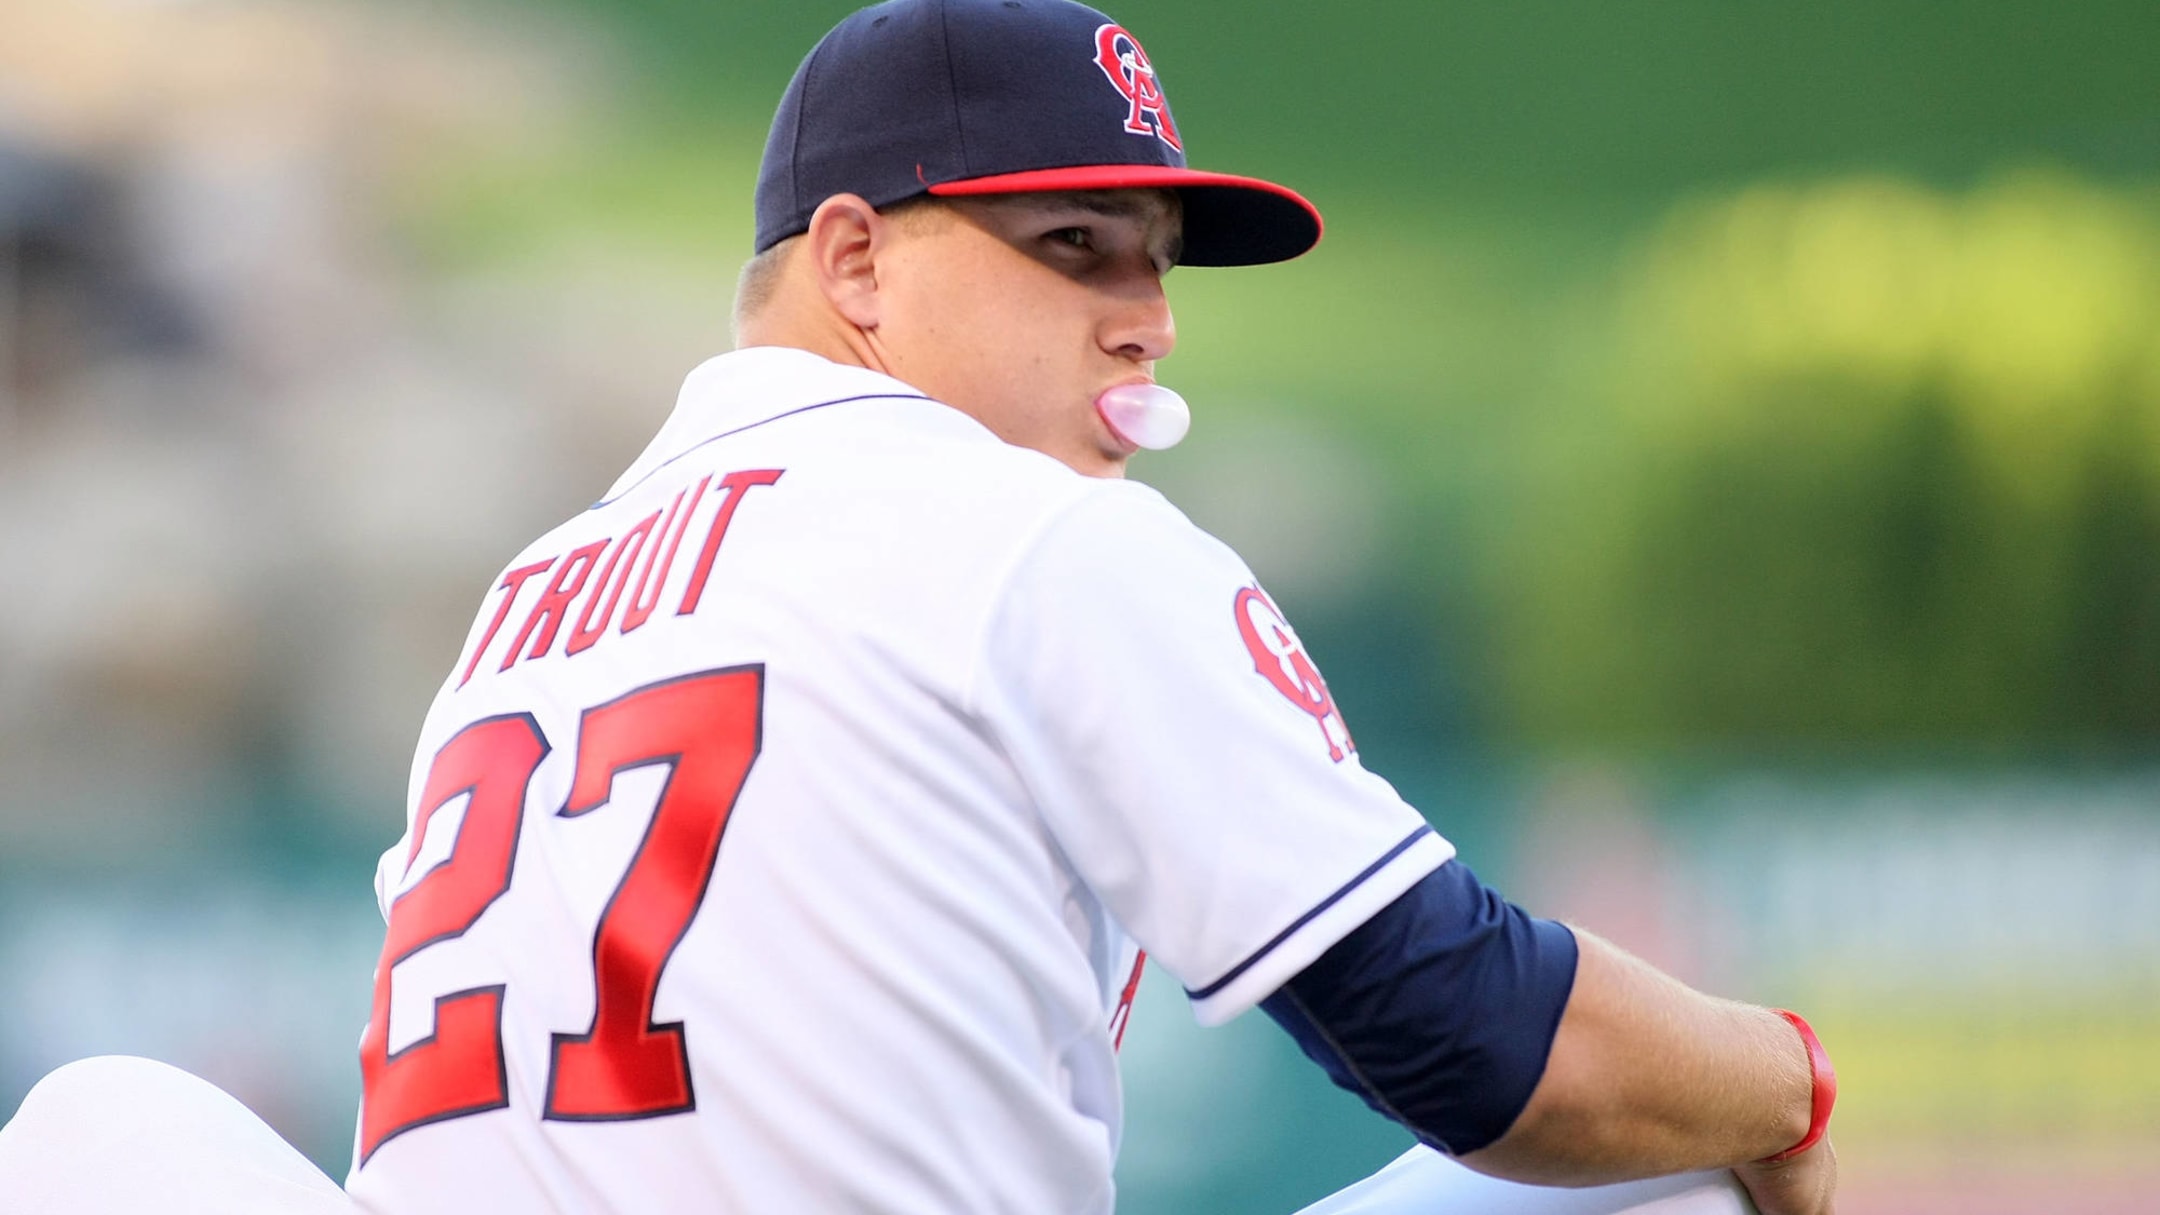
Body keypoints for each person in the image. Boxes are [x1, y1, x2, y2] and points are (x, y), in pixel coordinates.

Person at [4, 2, 1843, 1213]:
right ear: (858, 259)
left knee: (93, 1133)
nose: (1148, 314)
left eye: (1155, 259)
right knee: (1658, 1158)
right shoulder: (1037, 539)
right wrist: (1788, 1089)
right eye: (1072, 251)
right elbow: (1476, 1039)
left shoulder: (537, 591)